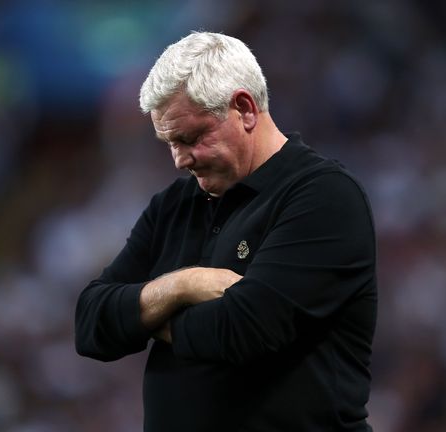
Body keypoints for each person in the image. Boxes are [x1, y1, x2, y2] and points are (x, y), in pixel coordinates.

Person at [75, 31, 377, 431]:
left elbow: (242, 329)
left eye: (192, 138)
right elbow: (91, 323)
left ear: (245, 109)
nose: (181, 160)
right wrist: (183, 285)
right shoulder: (173, 206)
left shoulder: (324, 197)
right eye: (170, 143)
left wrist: (142, 318)